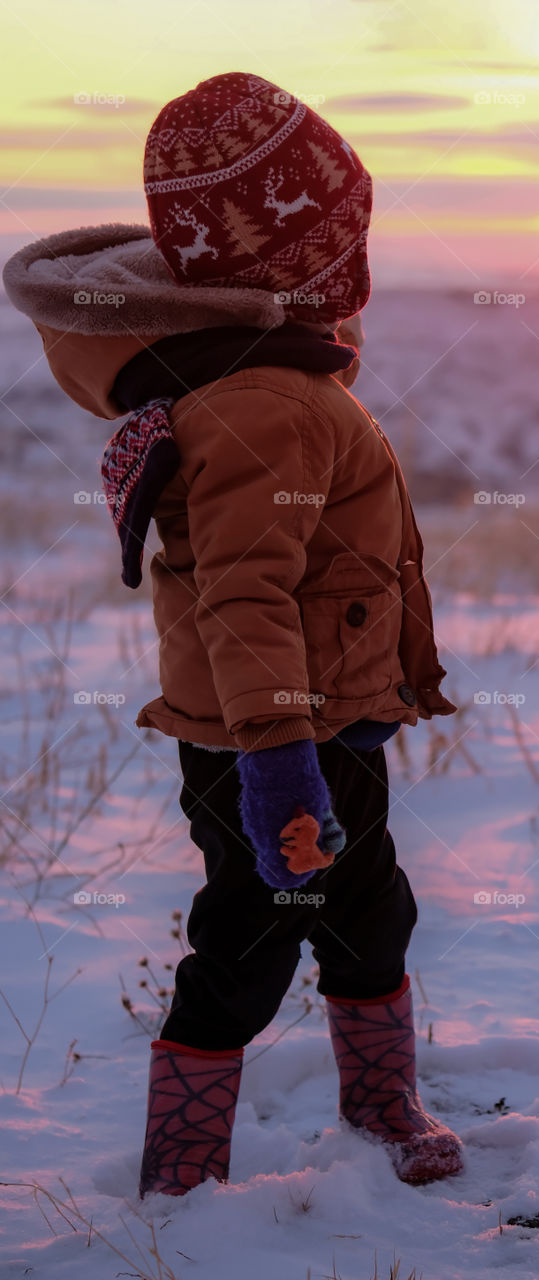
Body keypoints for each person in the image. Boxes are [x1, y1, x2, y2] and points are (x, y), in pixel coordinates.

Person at [2, 72, 463, 1197]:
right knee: (249, 941)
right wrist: (276, 759)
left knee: (369, 910)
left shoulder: (254, 374)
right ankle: (185, 1164)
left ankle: (379, 1097)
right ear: (293, 257)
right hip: (277, 735)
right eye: (340, 229)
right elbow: (245, 592)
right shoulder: (267, 400)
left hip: (321, 718)